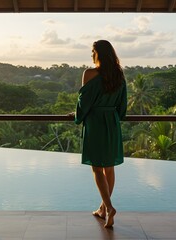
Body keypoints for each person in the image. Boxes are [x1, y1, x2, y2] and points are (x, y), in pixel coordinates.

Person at [73, 40, 127, 228]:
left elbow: (83, 102)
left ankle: (110, 208)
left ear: (99, 53)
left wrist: (77, 116)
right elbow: (122, 105)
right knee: (109, 168)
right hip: (111, 121)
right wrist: (113, 115)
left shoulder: (89, 74)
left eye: (93, 51)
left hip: (95, 121)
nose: (91, 54)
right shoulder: (118, 75)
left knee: (97, 168)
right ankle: (103, 209)